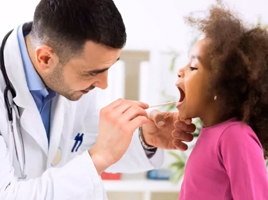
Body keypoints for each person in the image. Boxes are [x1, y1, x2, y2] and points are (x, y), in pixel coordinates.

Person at [0, 0, 195, 199]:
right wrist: (98, 158)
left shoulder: (73, 77)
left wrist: (144, 139)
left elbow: (87, 143)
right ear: (45, 59)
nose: (104, 84)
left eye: (108, 68)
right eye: (93, 73)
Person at [176, 2, 268, 200]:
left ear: (220, 85)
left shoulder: (235, 136)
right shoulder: (212, 133)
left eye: (193, 67)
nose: (180, 71)